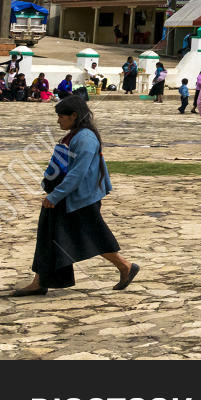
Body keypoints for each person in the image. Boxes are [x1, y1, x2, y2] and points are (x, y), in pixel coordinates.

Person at [10, 96, 138, 296]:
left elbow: (77, 174)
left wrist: (54, 196)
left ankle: (125, 266)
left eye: (61, 116)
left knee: (92, 238)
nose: (58, 120)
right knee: (49, 235)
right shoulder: (75, 135)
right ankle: (40, 280)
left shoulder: (85, 139)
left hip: (80, 199)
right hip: (69, 196)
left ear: (74, 116)